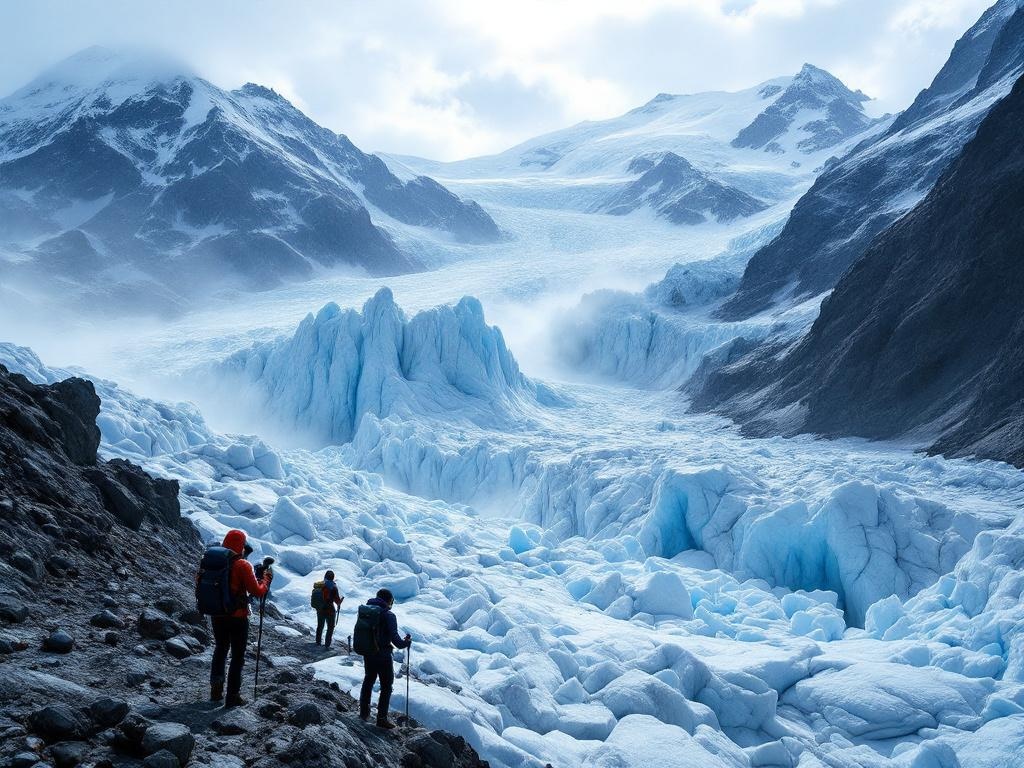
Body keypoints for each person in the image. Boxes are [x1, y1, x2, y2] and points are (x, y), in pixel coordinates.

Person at [210, 529, 272, 707]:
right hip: (237, 617)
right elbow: (257, 591)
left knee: (220, 648)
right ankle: (232, 696)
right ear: (240, 545)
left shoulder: (212, 561)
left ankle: (216, 690)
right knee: (237, 656)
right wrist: (266, 579)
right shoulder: (242, 565)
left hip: (217, 613)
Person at [358, 588, 411, 728]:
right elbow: (397, 642)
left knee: (368, 680)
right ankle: (381, 719)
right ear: (389, 601)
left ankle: (364, 712)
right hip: (383, 655)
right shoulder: (389, 615)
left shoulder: (367, 611)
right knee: (386, 686)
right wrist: (406, 643)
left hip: (368, 651)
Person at [315, 570, 344, 648]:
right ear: (333, 578)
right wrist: (341, 601)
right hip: (330, 610)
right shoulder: (334, 587)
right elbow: (337, 601)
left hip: (320, 609)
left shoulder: (320, 585)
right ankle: (327, 645)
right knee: (330, 628)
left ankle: (318, 642)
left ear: (325, 576)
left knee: (320, 626)